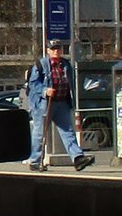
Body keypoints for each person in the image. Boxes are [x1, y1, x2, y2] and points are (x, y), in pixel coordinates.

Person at [26, 40, 95, 171]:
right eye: (53, 49)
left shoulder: (65, 64)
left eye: (58, 48)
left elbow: (70, 83)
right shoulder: (41, 65)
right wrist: (45, 90)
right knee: (40, 133)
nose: (56, 51)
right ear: (48, 50)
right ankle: (35, 161)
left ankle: (78, 158)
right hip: (43, 104)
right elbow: (33, 84)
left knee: (68, 131)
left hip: (61, 102)